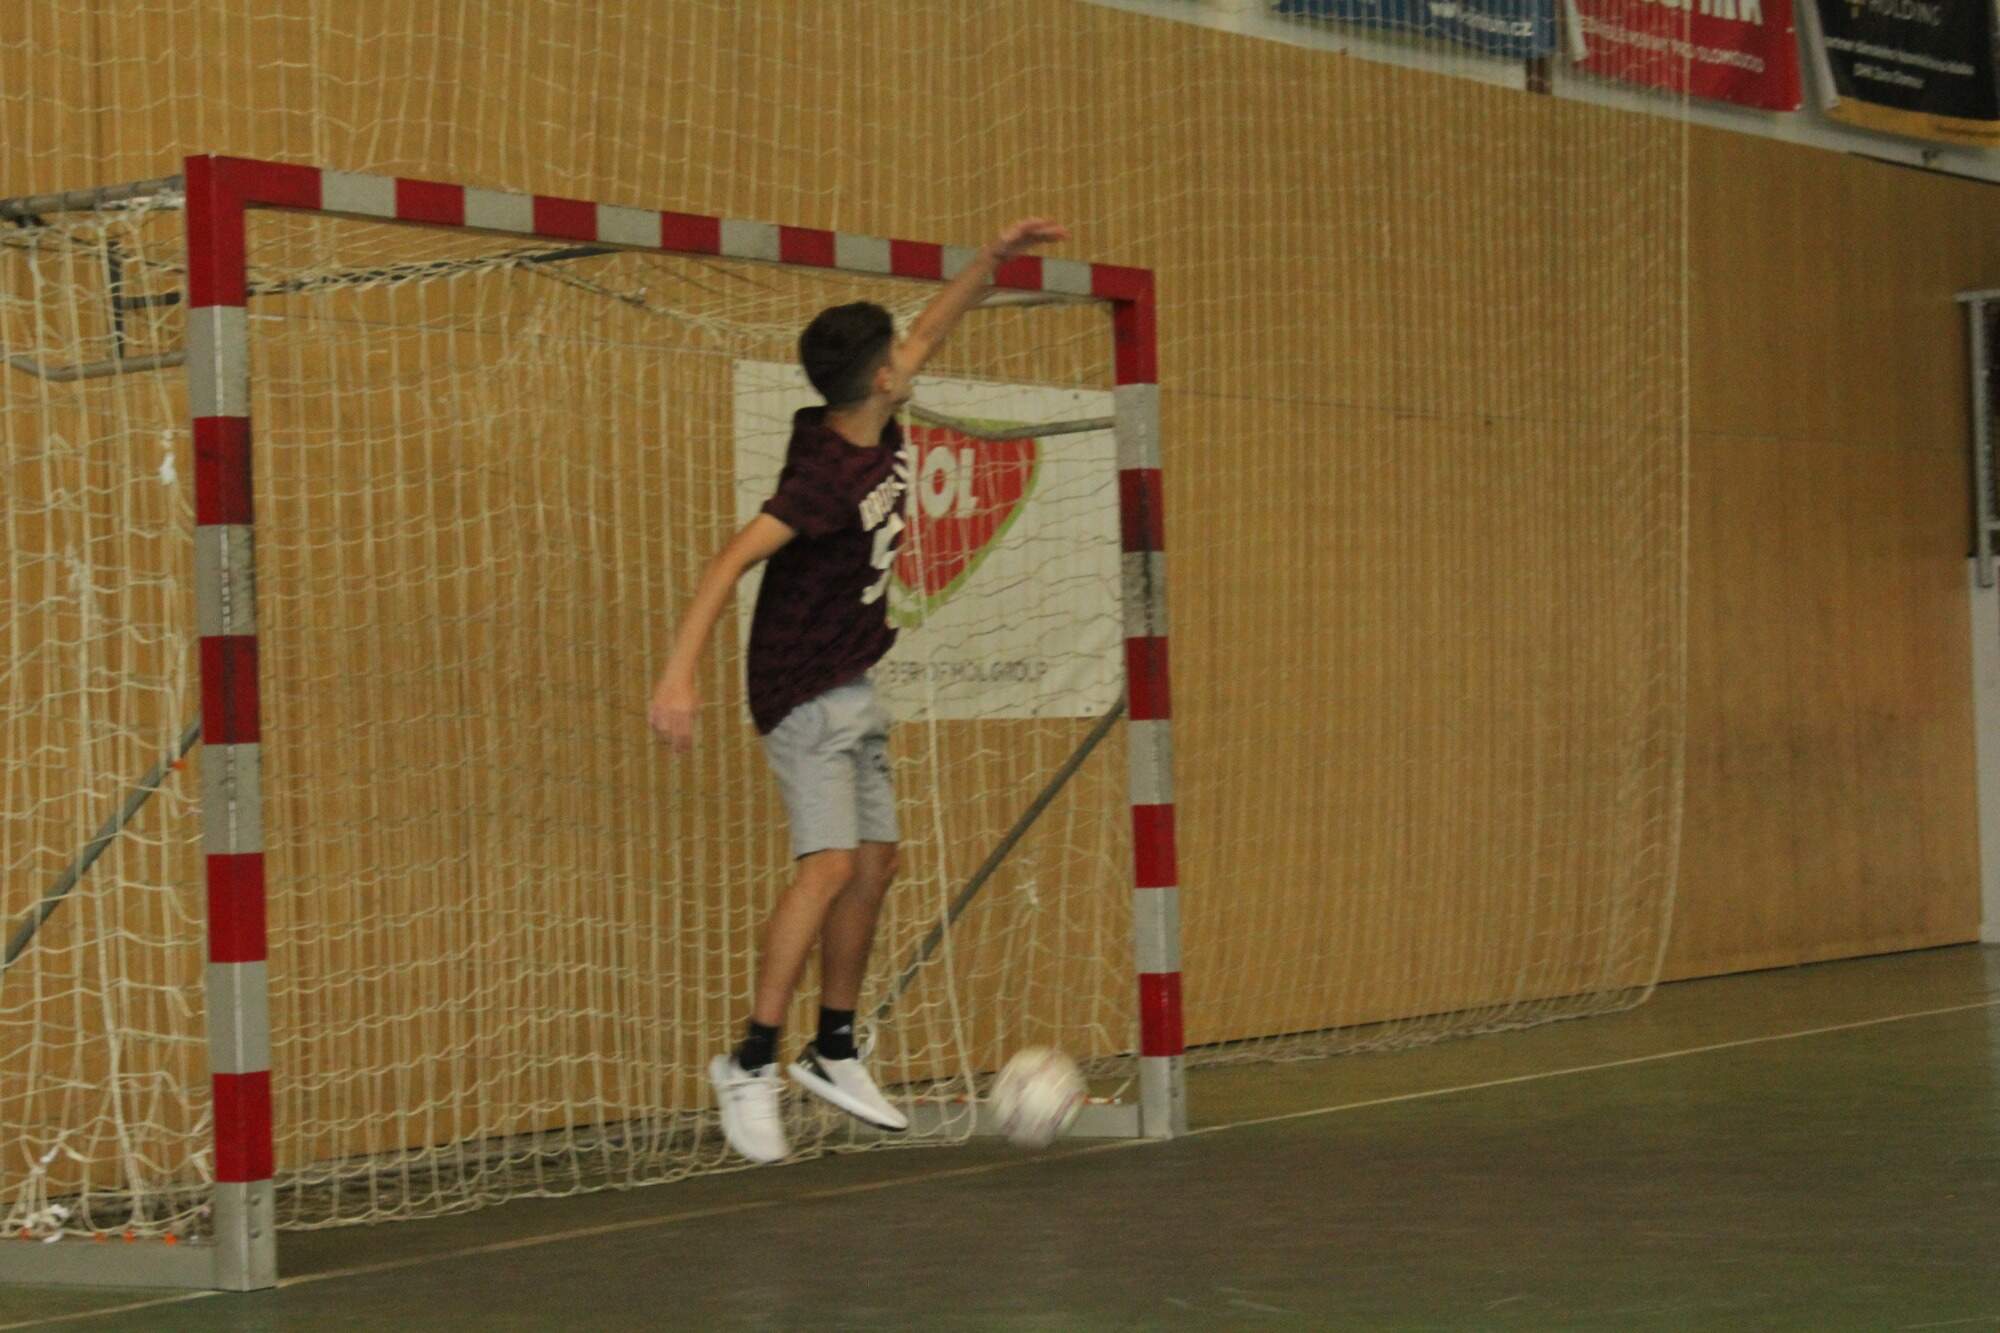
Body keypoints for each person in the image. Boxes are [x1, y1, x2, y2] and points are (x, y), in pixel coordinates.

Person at [648, 217, 1071, 1162]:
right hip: (801, 687)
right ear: (881, 378)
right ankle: (749, 1062)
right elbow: (728, 562)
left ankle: (833, 1046)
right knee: (831, 866)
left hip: (851, 680)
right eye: (897, 356)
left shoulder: (869, 413)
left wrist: (990, 262)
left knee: (878, 862)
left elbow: (932, 329)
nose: (911, 357)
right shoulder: (824, 479)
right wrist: (679, 674)